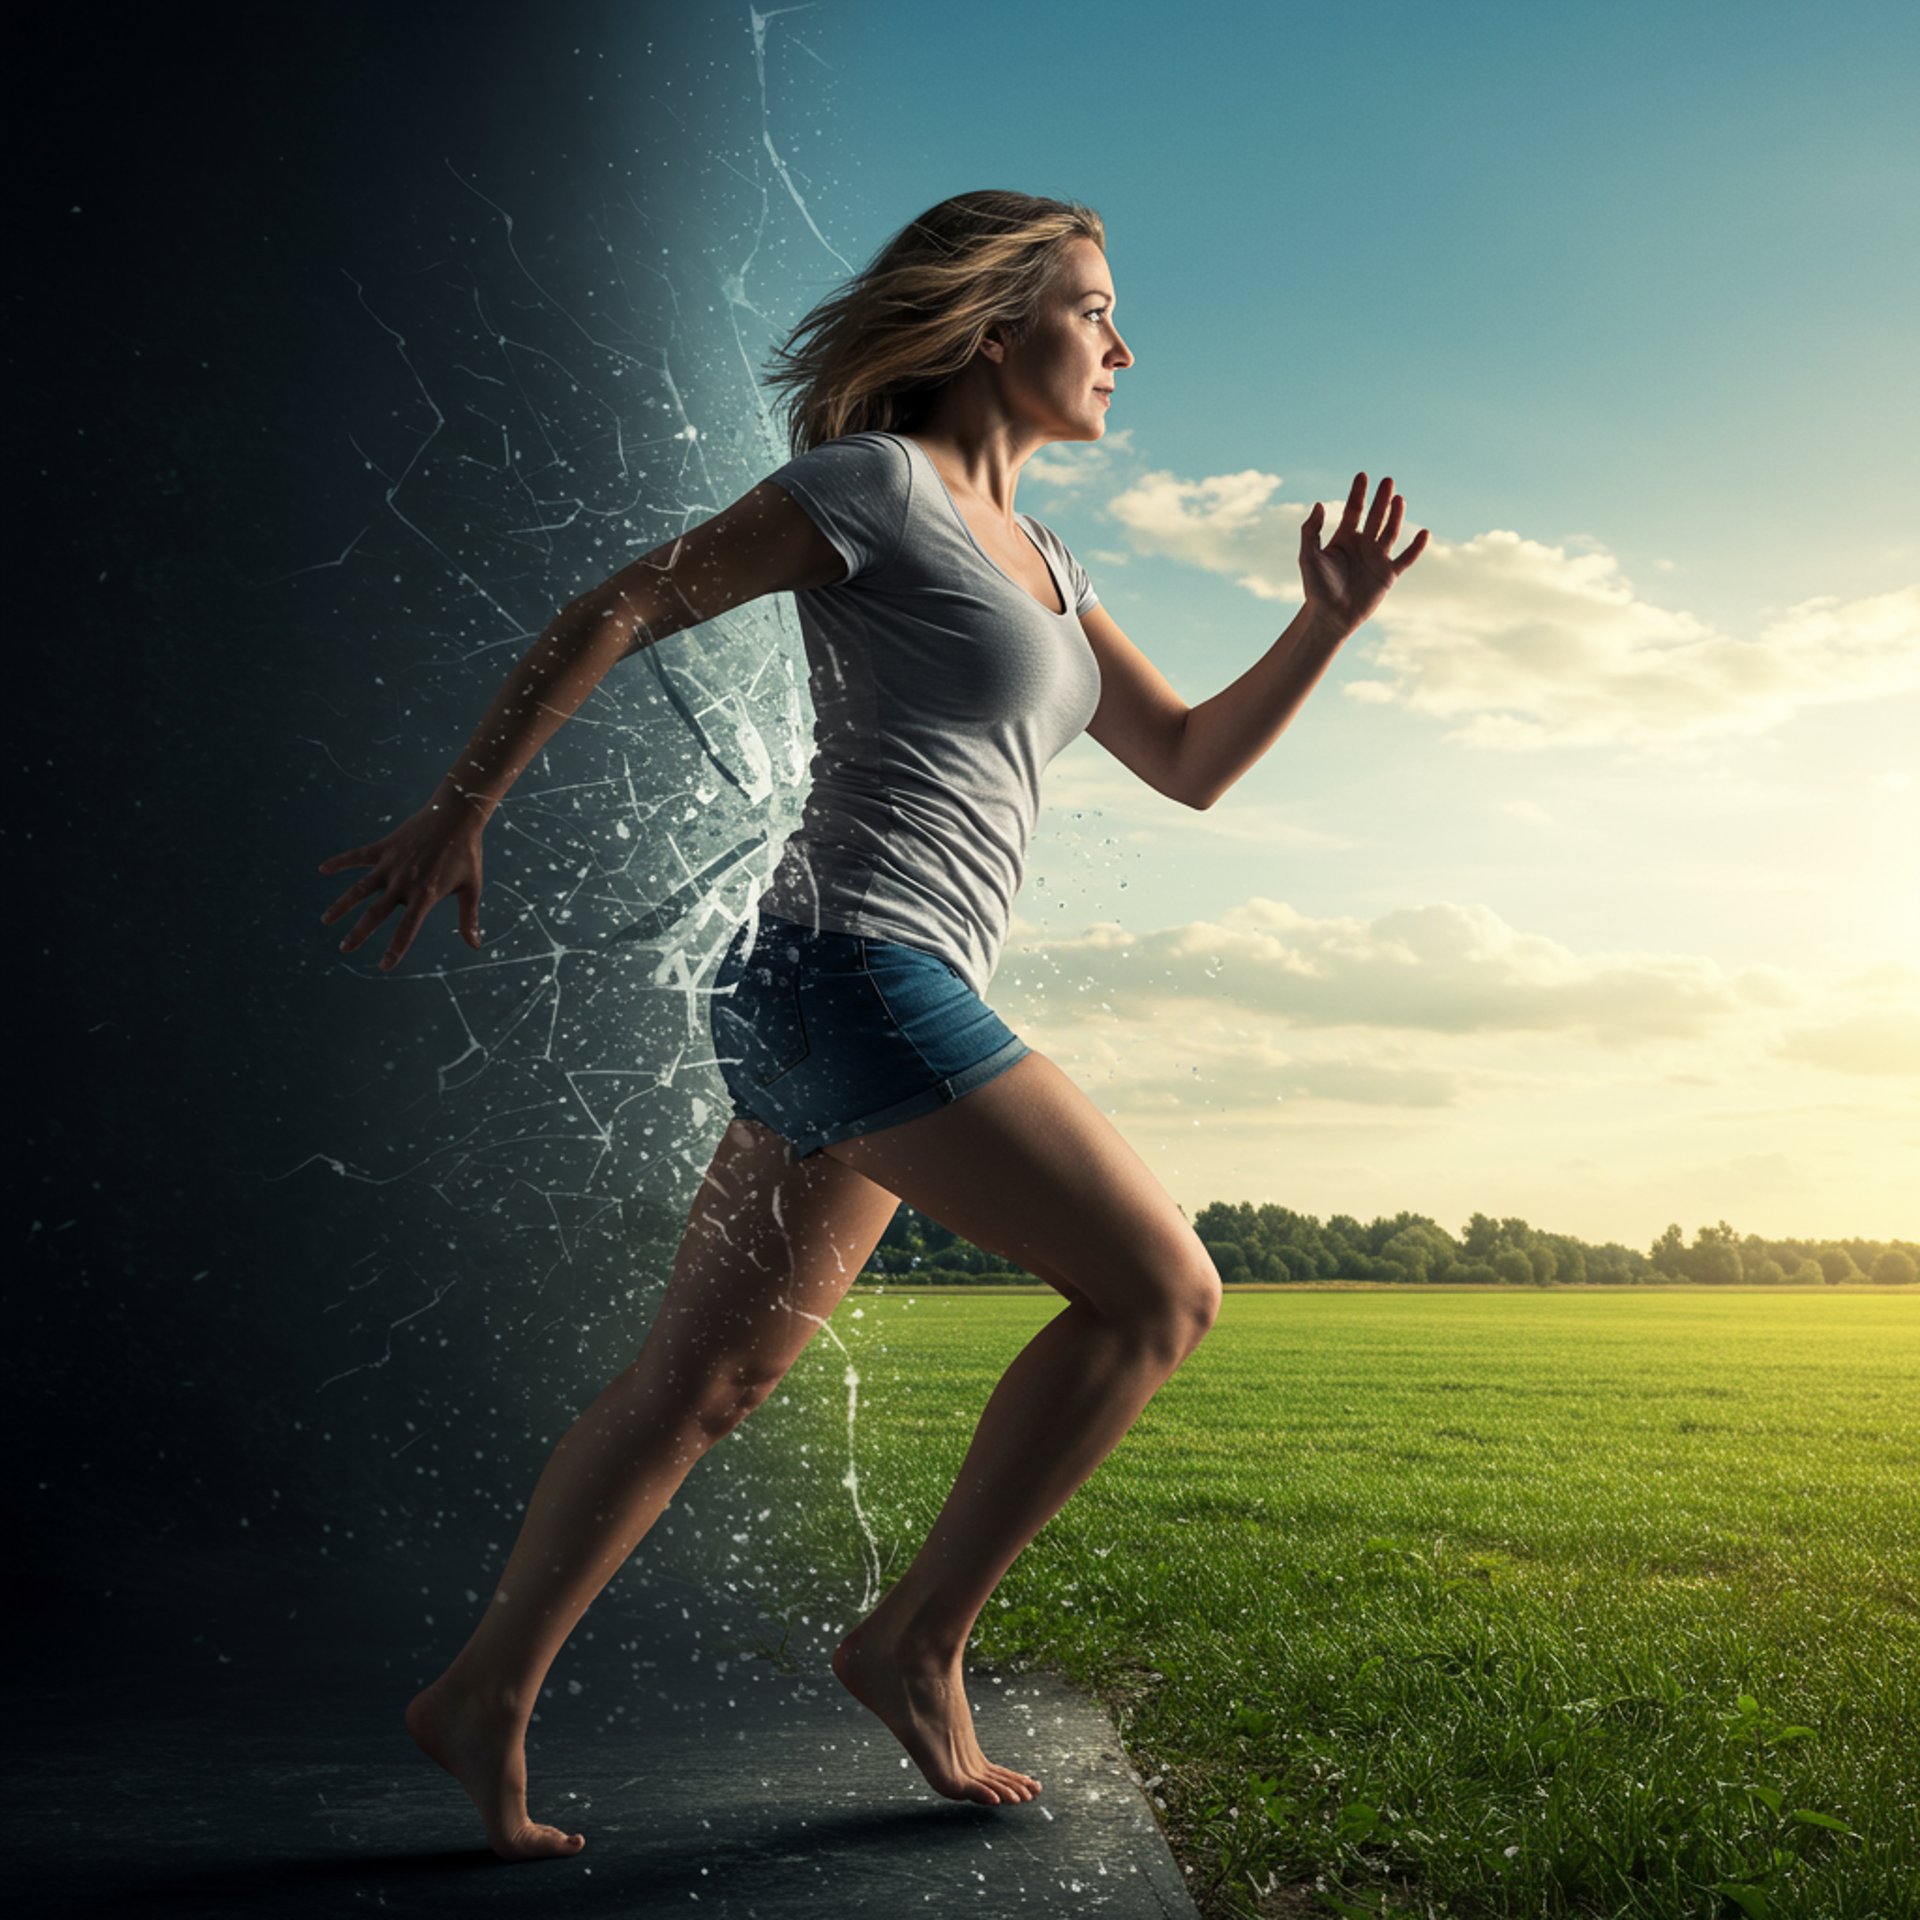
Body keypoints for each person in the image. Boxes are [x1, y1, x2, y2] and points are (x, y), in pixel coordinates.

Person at [317, 188, 1427, 1860]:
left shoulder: (1048, 562)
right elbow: (626, 603)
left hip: (842, 988)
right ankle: (914, 1643)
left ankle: (481, 1693)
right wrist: (462, 807)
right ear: (992, 326)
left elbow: (1190, 762)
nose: (1123, 347)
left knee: (704, 1385)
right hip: (857, 974)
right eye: (1094, 309)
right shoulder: (874, 488)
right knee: (1160, 1292)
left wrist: (1325, 625)